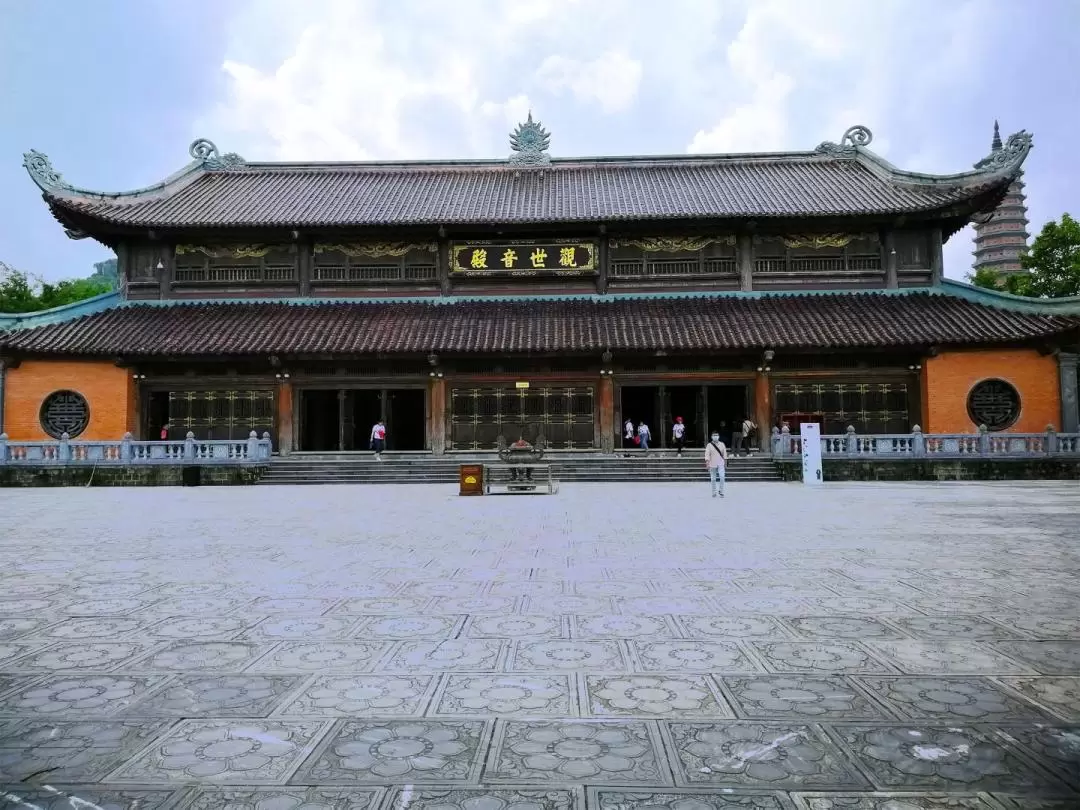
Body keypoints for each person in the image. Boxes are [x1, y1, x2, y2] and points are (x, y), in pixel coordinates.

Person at [705, 430, 728, 498]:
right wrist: (707, 462)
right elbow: (707, 454)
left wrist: (725, 463)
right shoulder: (709, 445)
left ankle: (721, 491)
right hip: (712, 463)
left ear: (719, 436)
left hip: (721, 463)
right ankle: (714, 492)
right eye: (714, 435)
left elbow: (725, 454)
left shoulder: (722, 444)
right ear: (712, 437)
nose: (715, 436)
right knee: (713, 479)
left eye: (716, 435)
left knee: (722, 477)